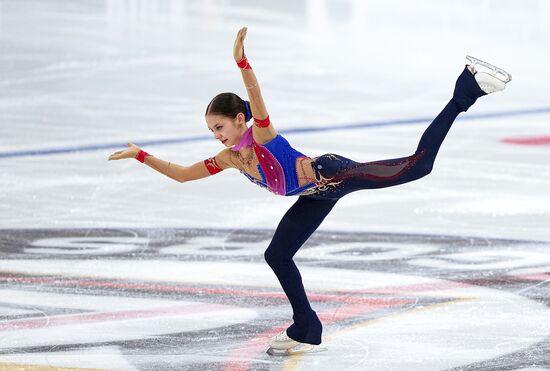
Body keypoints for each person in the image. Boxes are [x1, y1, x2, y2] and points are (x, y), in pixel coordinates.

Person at [108, 27, 511, 354]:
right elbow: (181, 174)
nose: (216, 136)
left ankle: (467, 89)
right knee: (277, 254)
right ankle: (307, 327)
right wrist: (141, 155)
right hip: (315, 194)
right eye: (211, 131)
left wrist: (242, 62)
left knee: (418, 165)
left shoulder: (261, 135)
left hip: (330, 173)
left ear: (238, 120)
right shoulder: (231, 159)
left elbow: (256, 95)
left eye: (219, 127)